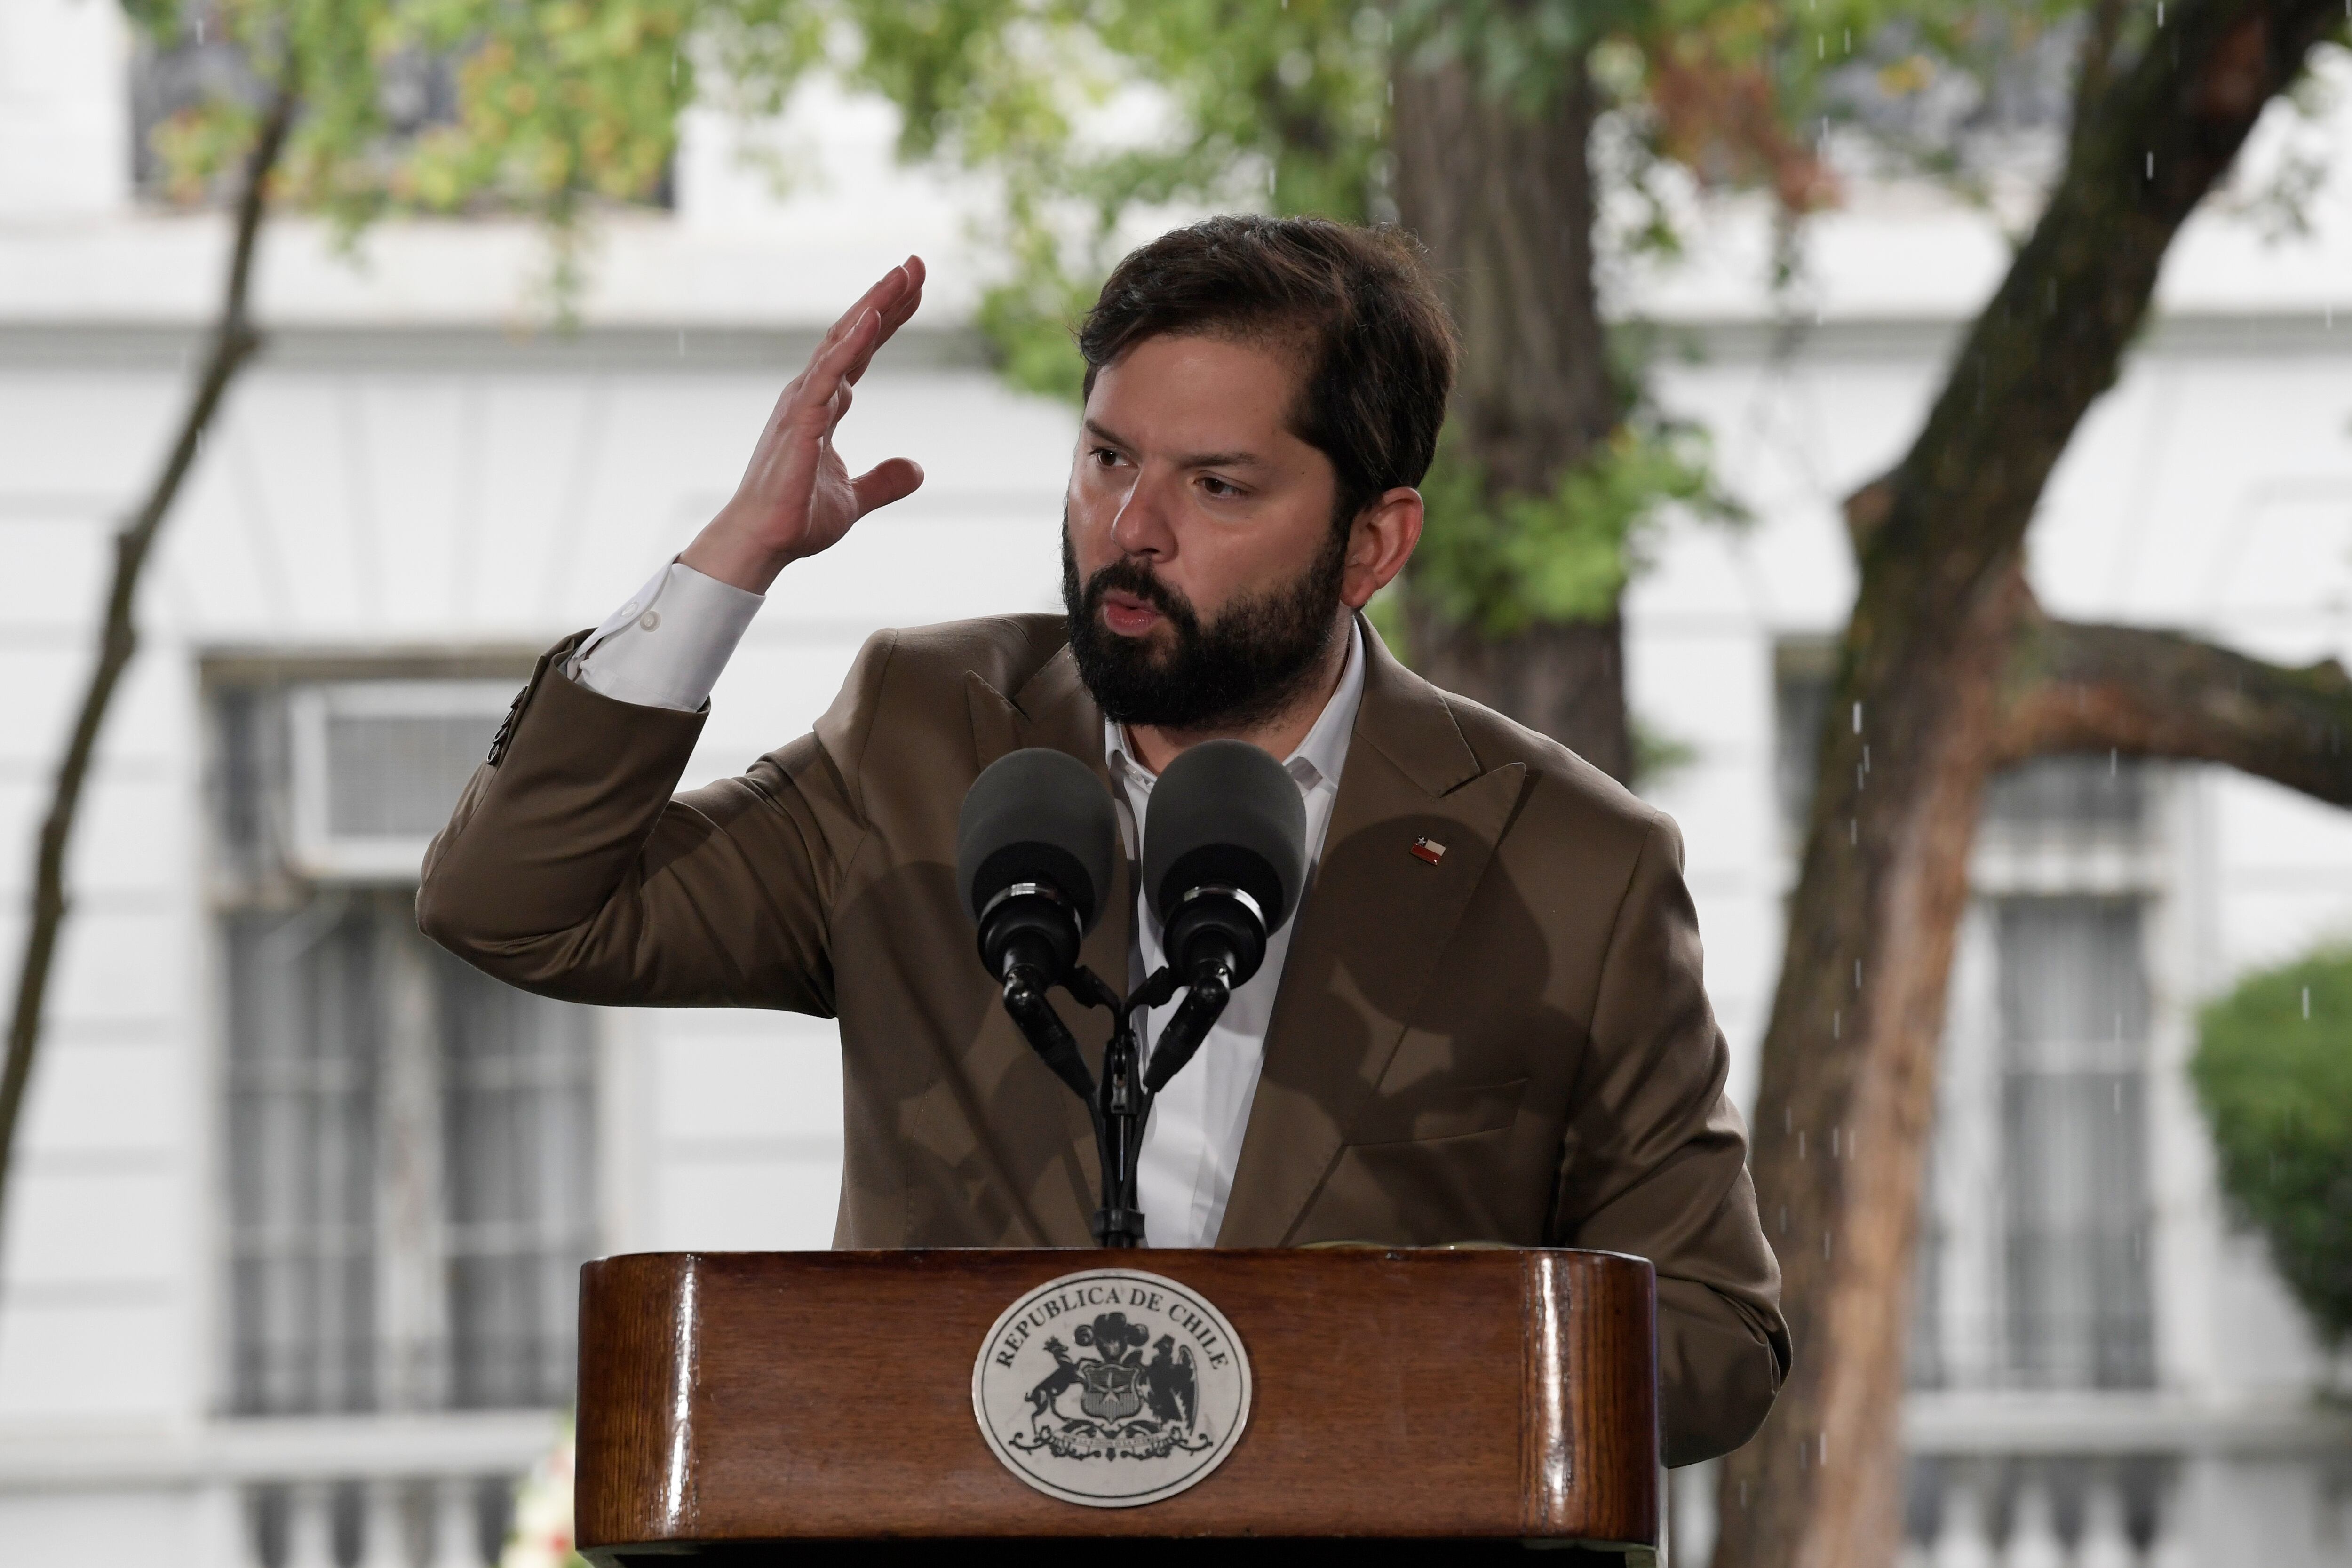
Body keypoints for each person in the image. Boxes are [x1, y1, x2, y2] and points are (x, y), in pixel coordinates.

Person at [419, 215, 1788, 1464]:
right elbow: (520, 906)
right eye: (1107, 459)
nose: (1130, 532)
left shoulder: (1570, 862)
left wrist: (1364, 1371)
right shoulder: (923, 740)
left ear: (1373, 544)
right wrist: (733, 560)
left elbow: (1718, 1337)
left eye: (1219, 488)